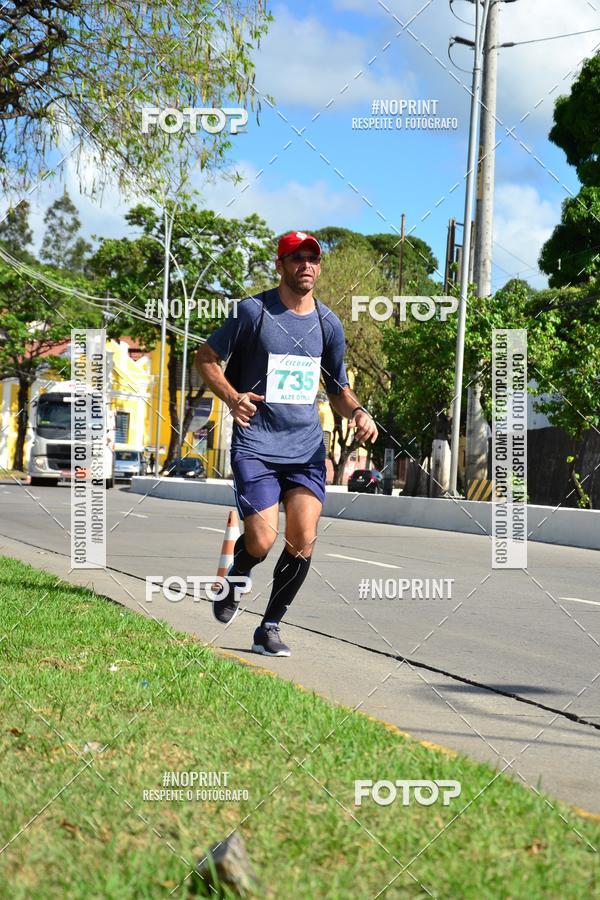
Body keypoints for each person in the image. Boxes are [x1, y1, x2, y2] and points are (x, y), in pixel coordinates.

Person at [196, 231, 378, 657]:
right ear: (280, 265)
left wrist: (358, 412)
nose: (306, 265)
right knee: (261, 540)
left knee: (302, 539)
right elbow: (206, 358)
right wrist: (232, 397)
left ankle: (269, 626)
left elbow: (338, 388)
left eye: (313, 258)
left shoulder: (328, 324)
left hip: (306, 450)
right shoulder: (252, 312)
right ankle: (237, 574)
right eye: (297, 258)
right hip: (256, 446)